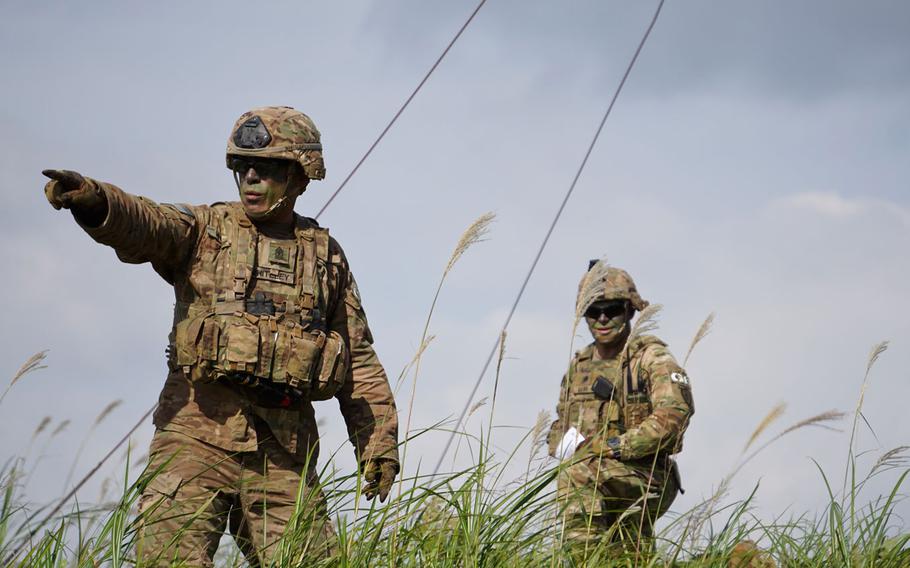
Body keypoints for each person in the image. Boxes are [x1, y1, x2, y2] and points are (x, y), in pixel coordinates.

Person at [42, 106, 399, 566]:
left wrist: (377, 445)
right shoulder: (204, 230)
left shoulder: (326, 257)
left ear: (300, 176)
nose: (250, 177)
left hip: (283, 452)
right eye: (241, 167)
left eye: (265, 168)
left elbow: (358, 359)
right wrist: (96, 202)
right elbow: (146, 222)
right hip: (194, 439)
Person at [546, 260, 694, 554]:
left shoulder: (651, 357)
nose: (602, 319)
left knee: (577, 474)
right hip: (599, 476)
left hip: (648, 477)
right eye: (593, 311)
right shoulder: (579, 365)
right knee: (626, 554)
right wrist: (566, 445)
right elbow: (559, 425)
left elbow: (674, 415)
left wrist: (614, 447)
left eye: (611, 309)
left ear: (629, 309)